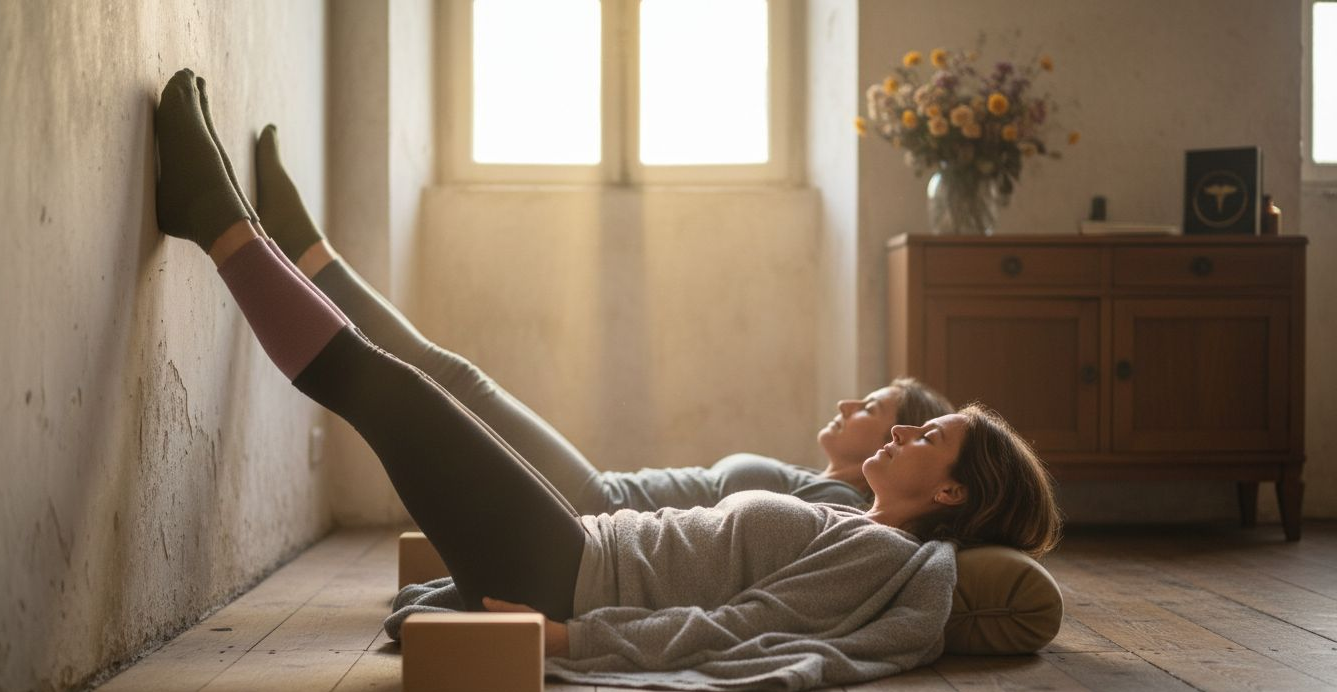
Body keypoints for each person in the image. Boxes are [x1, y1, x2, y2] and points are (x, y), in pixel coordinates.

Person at [154, 70, 1061, 691]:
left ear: (948, 490)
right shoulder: (851, 525)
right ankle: (232, 228)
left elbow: (738, 631)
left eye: (927, 437)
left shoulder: (883, 554)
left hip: (568, 574)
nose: (902, 430)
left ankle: (218, 225)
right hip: (576, 546)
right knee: (403, 390)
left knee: (393, 393)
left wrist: (568, 640)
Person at [246, 119, 953, 513]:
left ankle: (302, 255)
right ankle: (304, 255)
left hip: (592, 505)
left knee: (443, 382)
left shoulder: (835, 511)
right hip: (599, 492)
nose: (850, 402)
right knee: (439, 383)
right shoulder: (819, 486)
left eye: (876, 406)